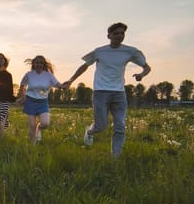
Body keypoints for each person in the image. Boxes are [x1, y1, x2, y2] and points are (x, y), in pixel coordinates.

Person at [62, 22, 151, 157]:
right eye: (116, 33)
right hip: (100, 92)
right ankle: (90, 132)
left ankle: (115, 156)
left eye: (122, 33)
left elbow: (147, 67)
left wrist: (141, 75)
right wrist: (71, 80)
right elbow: (85, 66)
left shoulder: (130, 51)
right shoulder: (100, 51)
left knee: (120, 124)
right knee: (101, 125)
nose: (120, 36)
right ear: (109, 36)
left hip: (119, 93)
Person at [16, 55, 62, 144]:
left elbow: (57, 84)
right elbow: (22, 85)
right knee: (32, 125)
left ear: (44, 64)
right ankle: (33, 147)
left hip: (43, 102)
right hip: (30, 101)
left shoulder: (49, 75)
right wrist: (23, 97)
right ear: (33, 64)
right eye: (37, 63)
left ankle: (39, 129)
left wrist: (63, 86)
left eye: (41, 63)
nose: (39, 64)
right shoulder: (29, 75)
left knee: (45, 123)